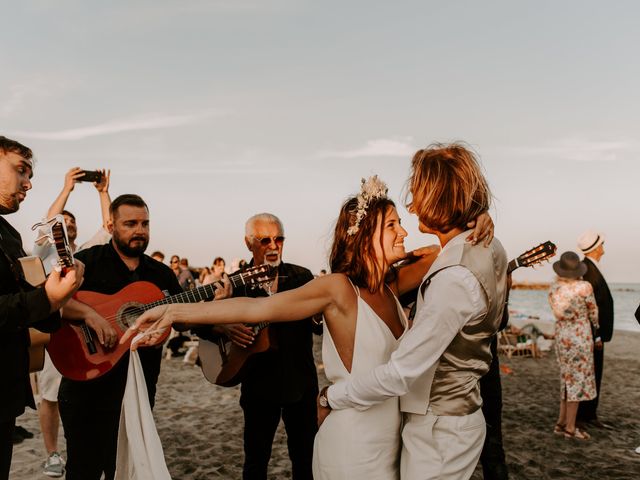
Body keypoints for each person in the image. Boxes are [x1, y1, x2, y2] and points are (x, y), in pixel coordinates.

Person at [124, 180, 493, 479]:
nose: (403, 232)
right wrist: (173, 310)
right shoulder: (337, 288)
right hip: (353, 445)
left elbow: (445, 249)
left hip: (394, 440)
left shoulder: (391, 287)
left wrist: (480, 218)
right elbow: (258, 306)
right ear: (365, 233)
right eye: (393, 225)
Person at [324, 143, 507, 480]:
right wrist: (480, 216)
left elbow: (399, 373)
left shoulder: (452, 279)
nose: (412, 204)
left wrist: (331, 396)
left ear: (439, 197)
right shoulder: (489, 246)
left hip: (438, 431)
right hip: (454, 421)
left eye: (419, 192)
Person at [56, 194, 182, 480]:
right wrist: (90, 315)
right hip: (84, 383)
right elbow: (52, 301)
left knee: (127, 467)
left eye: (145, 223)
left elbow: (186, 320)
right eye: (131, 223)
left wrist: (217, 307)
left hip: (136, 390)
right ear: (111, 226)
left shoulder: (161, 274)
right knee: (82, 469)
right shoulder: (87, 262)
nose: (140, 230)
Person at [0, 136, 84, 480]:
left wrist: (54, 297)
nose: (28, 183)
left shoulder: (7, 234)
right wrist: (48, 298)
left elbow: (27, 306)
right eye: (20, 170)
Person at [32, 166, 112, 477]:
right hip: (53, 332)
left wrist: (103, 192)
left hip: (83, 334)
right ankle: (52, 454)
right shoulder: (45, 252)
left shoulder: (86, 255)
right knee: (49, 394)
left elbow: (108, 227)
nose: (67, 226)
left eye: (72, 223)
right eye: (63, 223)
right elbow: (49, 222)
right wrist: (67, 187)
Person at [548, 251, 598, 440]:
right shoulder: (584, 287)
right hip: (580, 338)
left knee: (566, 380)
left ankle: (560, 423)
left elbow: (556, 312)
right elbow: (594, 313)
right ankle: (570, 427)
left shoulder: (554, 288)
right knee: (576, 382)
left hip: (561, 337)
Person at [576, 230, 614, 429]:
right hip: (592, 334)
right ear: (596, 248)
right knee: (591, 372)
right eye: (602, 245)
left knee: (593, 373)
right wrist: (596, 335)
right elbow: (589, 306)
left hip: (594, 334)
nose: (604, 249)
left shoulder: (589, 268)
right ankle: (586, 415)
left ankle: (589, 413)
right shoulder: (588, 271)